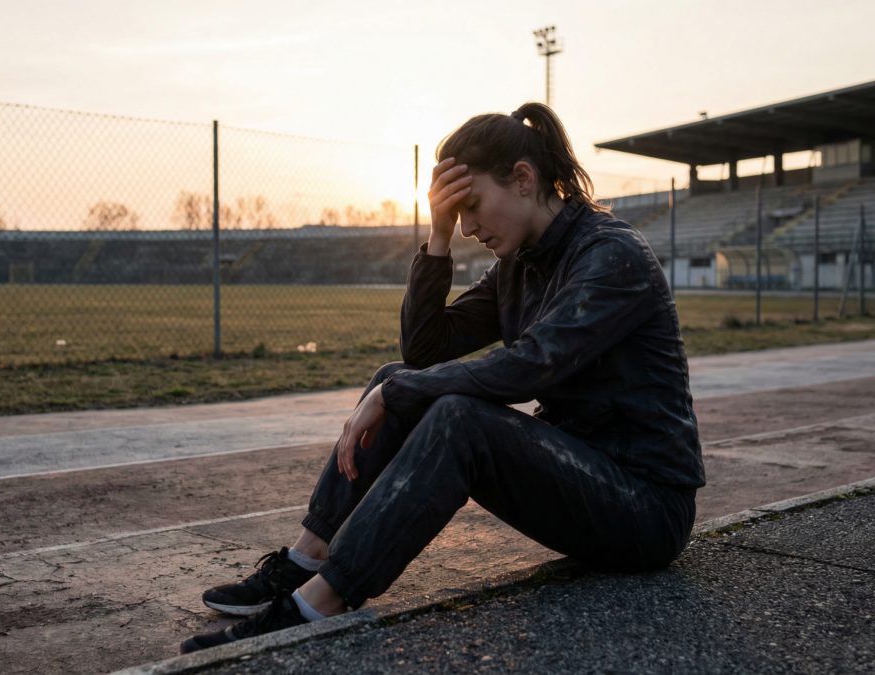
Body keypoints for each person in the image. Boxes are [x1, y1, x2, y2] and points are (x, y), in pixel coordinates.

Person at [181, 102, 704, 654]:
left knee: (455, 416)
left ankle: (316, 605)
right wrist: (436, 238)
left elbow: (529, 365)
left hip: (645, 507)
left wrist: (397, 391)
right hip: (581, 480)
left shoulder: (613, 254)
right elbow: (425, 351)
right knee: (398, 377)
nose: (468, 227)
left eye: (471, 205)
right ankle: (305, 559)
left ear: (523, 180)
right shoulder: (519, 266)